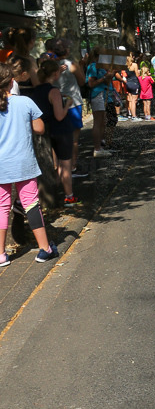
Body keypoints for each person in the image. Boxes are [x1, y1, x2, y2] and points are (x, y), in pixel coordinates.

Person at [0, 62, 60, 265]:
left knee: (1, 207)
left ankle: (1, 255)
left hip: (1, 164)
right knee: (31, 204)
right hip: (24, 162)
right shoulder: (25, 102)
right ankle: (44, 249)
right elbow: (40, 128)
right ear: (12, 82)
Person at [32, 59, 78, 204]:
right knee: (66, 164)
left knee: (55, 163)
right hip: (61, 130)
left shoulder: (36, 91)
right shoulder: (54, 91)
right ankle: (69, 196)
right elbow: (59, 115)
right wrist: (68, 104)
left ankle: (54, 194)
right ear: (55, 73)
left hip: (46, 130)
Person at [50, 38, 87, 176]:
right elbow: (82, 81)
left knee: (56, 137)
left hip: (55, 102)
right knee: (74, 139)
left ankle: (56, 167)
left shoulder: (50, 66)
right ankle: (73, 166)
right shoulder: (71, 64)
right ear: (67, 50)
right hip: (72, 102)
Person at [85, 48, 116, 158]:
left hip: (104, 95)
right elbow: (91, 83)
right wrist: (104, 78)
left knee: (103, 121)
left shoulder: (101, 66)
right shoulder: (93, 66)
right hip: (97, 95)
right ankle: (97, 148)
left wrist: (109, 76)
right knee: (98, 122)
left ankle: (101, 146)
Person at [124, 51, 142, 120]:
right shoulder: (134, 65)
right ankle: (134, 116)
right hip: (134, 83)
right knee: (134, 101)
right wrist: (139, 72)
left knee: (130, 100)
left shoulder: (125, 65)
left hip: (128, 83)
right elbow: (137, 75)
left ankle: (131, 115)